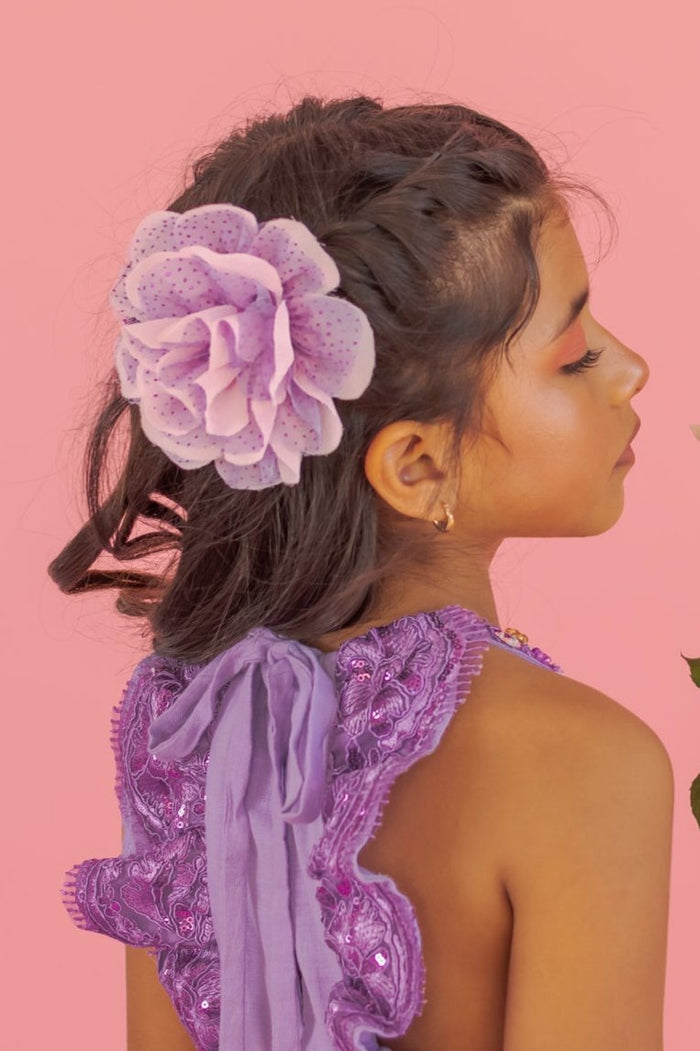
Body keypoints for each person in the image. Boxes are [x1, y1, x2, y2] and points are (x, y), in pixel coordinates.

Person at [51, 95, 673, 1051]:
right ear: (417, 465)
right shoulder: (590, 765)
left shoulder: (191, 727)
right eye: (576, 356)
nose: (631, 368)